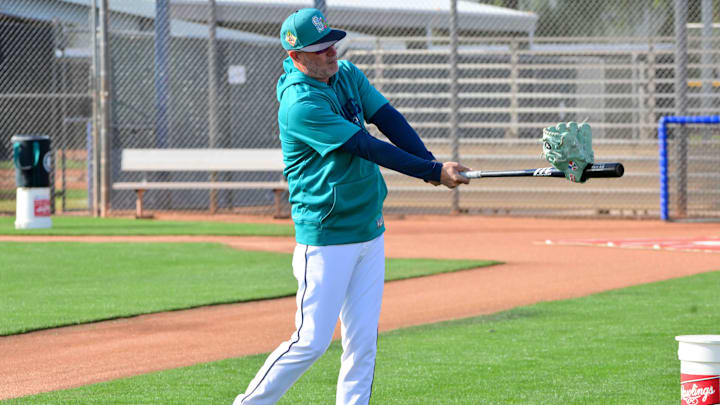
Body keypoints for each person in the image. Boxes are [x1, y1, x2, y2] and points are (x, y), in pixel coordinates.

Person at [233, 8, 470, 405]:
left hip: (369, 228)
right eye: (320, 49)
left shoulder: (347, 75)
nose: (331, 53)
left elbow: (387, 120)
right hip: (326, 237)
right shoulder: (300, 103)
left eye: (332, 44)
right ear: (295, 57)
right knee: (310, 342)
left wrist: (432, 164)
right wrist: (431, 171)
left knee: (362, 345)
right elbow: (366, 145)